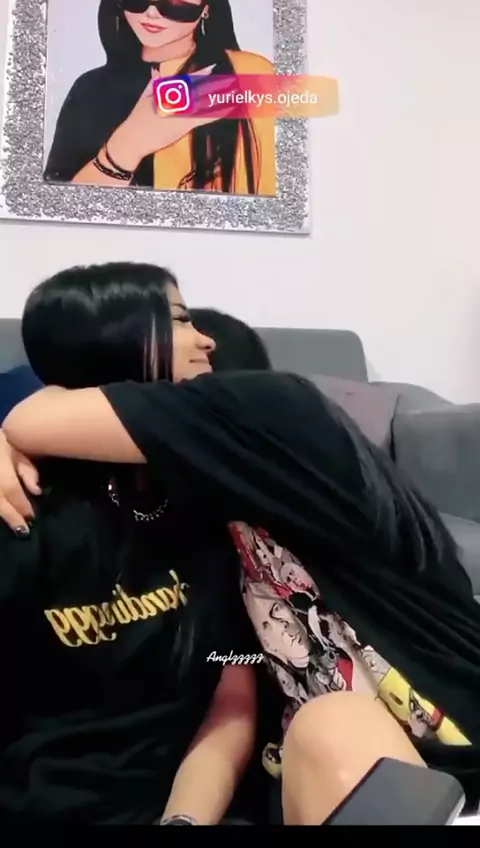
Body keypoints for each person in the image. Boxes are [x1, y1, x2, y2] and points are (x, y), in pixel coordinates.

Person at [4, 313, 480, 822]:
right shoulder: (207, 527)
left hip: (442, 739)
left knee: (335, 723)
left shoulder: (287, 419)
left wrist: (7, 435)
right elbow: (234, 681)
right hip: (309, 767)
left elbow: (34, 415)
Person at [0, 265, 258, 825]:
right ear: (116, 341)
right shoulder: (23, 509)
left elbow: (233, 685)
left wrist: (185, 820)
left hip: (203, 798)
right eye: (181, 320)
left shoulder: (214, 501)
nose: (206, 340)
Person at [44, 0, 276, 196]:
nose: (151, 12)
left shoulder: (248, 74)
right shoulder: (91, 90)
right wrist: (126, 148)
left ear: (206, 5)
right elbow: (56, 202)